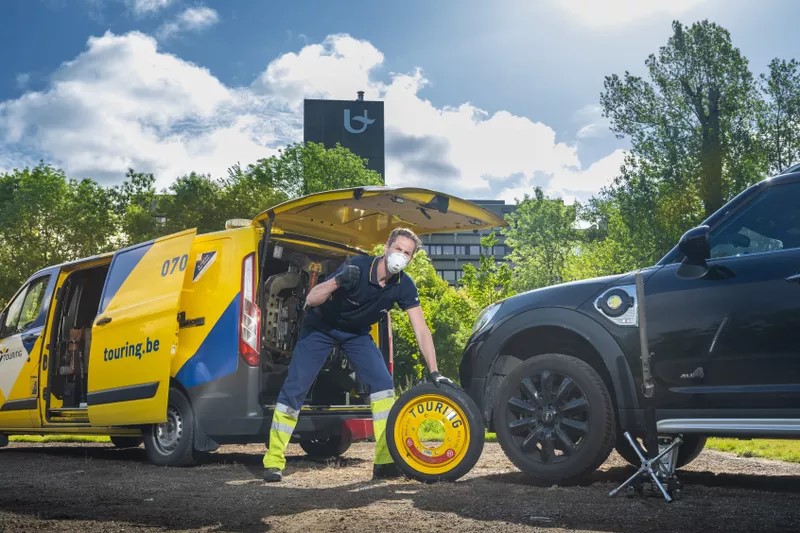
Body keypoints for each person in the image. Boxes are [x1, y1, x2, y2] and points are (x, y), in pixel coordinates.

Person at [262, 227, 453, 482]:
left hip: (356, 334)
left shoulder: (404, 285)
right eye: (398, 249)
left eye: (407, 253)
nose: (401, 255)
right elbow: (312, 299)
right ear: (386, 248)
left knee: (383, 386)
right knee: (295, 387)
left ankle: (385, 462)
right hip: (321, 328)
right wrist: (337, 281)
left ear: (411, 259)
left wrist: (434, 371)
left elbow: (421, 329)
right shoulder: (358, 266)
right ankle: (274, 460)